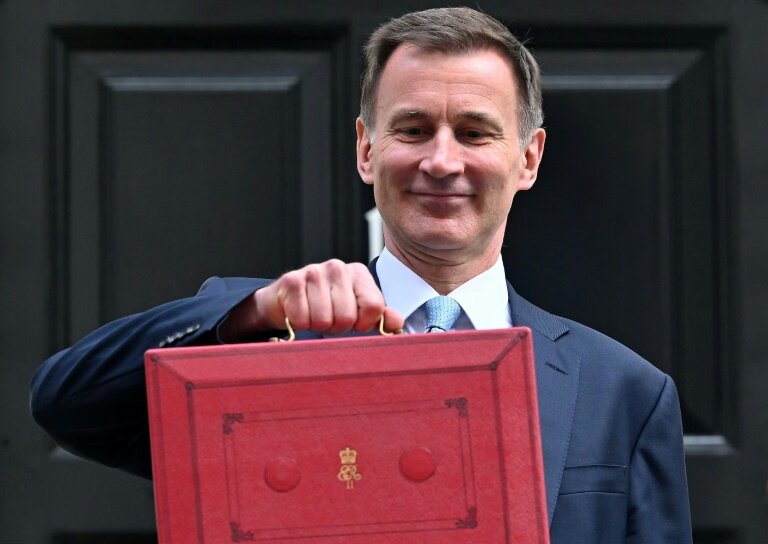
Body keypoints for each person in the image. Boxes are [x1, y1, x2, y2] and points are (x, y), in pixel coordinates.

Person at [30, 7, 691, 542]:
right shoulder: (256, 347)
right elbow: (67, 403)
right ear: (367, 150)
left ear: (528, 158)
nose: (440, 160)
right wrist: (253, 312)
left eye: (473, 132)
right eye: (412, 128)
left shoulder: (625, 395)